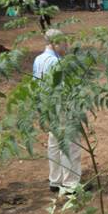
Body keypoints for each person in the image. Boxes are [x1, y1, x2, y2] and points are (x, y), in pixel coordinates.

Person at [34, 29, 83, 194]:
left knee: (54, 142)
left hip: (47, 106)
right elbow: (64, 89)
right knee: (70, 143)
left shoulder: (38, 59)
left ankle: (55, 180)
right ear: (54, 43)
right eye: (64, 42)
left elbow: (35, 85)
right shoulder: (56, 63)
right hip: (62, 105)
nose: (67, 46)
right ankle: (71, 184)